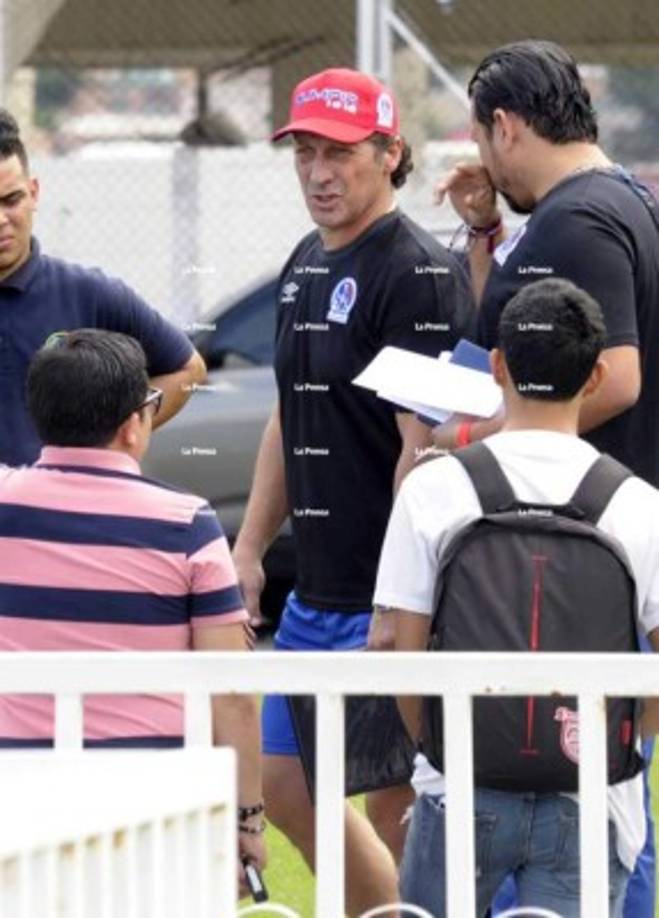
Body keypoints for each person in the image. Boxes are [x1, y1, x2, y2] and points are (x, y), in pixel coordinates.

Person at [232, 67, 474, 915]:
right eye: (304, 151)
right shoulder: (303, 262)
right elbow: (285, 414)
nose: (318, 172)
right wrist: (251, 548)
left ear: (389, 154)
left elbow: (426, 449)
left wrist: (401, 597)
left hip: (391, 600)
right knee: (278, 778)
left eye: (339, 153)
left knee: (396, 803)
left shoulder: (417, 273)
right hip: (313, 595)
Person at [433, 39, 659, 917]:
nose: (485, 161)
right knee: (590, 773)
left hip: (582, 546)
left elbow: (620, 374)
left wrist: (483, 446)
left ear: (505, 126)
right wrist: (487, 233)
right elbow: (502, 331)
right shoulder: (612, 202)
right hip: (592, 540)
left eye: (486, 142)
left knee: (598, 786)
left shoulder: (579, 217)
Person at [374, 278, 659, 917]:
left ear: (496, 367)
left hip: (459, 785)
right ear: (596, 375)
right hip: (590, 794)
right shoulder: (638, 504)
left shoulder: (433, 489)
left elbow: (397, 648)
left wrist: (441, 746)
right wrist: (617, 735)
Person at [0, 329, 265, 890]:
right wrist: (247, 818)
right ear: (132, 425)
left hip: (17, 792)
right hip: (154, 798)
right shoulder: (187, 524)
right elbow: (232, 692)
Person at [0, 109, 206, 467]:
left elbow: (187, 370)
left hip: (57, 519)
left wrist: (110, 442)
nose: (1, 220)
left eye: (11, 200)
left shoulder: (89, 293)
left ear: (34, 193)